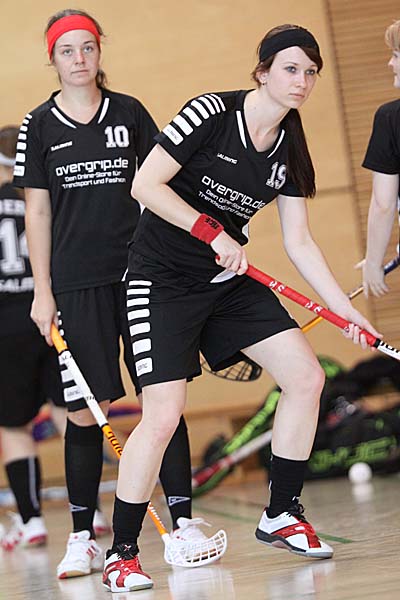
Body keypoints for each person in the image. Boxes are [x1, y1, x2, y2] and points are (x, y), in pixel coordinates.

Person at [101, 24, 381, 593]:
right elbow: (145, 184)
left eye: (310, 73)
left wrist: (344, 312)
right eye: (290, 69)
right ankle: (121, 554)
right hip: (160, 280)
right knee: (163, 414)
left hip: (227, 281)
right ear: (262, 72)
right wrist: (210, 230)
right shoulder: (209, 112)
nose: (301, 82)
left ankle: (282, 512)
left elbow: (300, 241)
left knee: (306, 377)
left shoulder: (291, 145)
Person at [13, 8, 224, 580]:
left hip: (144, 273)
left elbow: (161, 185)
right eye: (67, 50)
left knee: (163, 400)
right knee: (85, 411)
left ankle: (183, 521)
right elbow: (37, 211)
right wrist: (42, 291)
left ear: (100, 51)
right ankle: (82, 535)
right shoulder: (38, 125)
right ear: (52, 59)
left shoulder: (129, 112)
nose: (79, 59)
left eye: (87, 47)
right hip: (77, 283)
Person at [0, 125, 64, 549]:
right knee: (69, 414)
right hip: (52, 316)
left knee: (13, 426)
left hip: (6, 327)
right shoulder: (44, 199)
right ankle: (89, 512)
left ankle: (32, 520)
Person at [359, 20, 400, 297]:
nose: (390, 63)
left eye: (396, 55)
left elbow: (384, 204)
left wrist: (373, 263)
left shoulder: (391, 118)